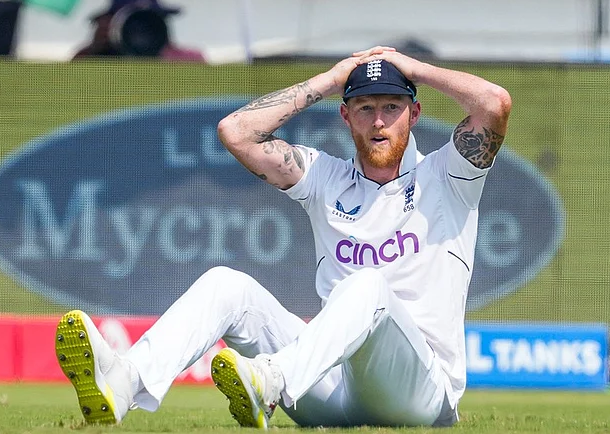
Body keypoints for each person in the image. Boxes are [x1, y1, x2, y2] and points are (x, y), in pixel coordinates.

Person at [54, 46, 512, 428]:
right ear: (345, 116)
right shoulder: (324, 177)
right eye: (364, 107)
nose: (378, 121)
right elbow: (236, 133)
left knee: (368, 285)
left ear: (414, 113)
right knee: (225, 285)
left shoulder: (448, 174)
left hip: (421, 393)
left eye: (391, 106)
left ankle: (270, 383)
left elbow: (495, 103)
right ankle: (125, 381)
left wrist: (414, 69)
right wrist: (330, 78)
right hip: (333, 386)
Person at [72, 0, 204, 61]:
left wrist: (166, 57)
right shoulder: (96, 59)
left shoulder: (187, 61)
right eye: (131, 26)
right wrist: (95, 52)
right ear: (111, 24)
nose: (139, 33)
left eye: (147, 24)